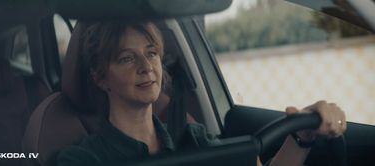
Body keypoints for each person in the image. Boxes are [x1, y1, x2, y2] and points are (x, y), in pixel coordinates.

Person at [57, 21, 346, 166]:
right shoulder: (82, 159)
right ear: (100, 77)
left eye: (152, 53)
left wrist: (302, 137)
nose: (146, 68)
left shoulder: (193, 139)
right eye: (127, 58)